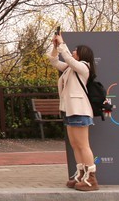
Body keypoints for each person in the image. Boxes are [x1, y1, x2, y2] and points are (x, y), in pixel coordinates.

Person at [48, 33, 99, 191]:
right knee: (75, 145)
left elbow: (69, 59)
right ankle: (81, 173)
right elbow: (54, 60)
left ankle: (91, 178)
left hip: (80, 110)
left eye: (76, 50)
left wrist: (63, 44)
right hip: (69, 110)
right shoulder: (69, 68)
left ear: (83, 54)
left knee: (83, 145)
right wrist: (56, 46)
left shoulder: (84, 66)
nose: (74, 52)